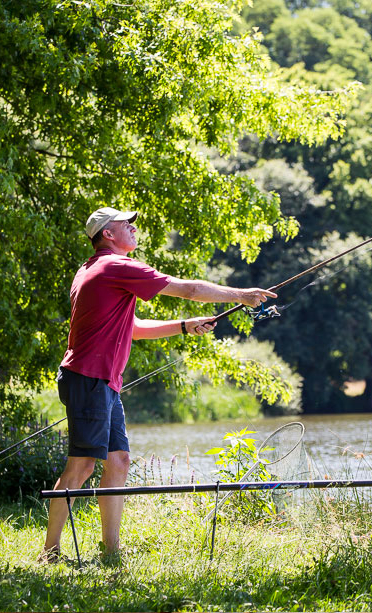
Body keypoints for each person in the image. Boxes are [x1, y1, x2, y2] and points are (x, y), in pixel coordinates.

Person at [41, 206, 276, 561]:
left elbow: (132, 328)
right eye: (126, 225)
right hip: (89, 377)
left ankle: (111, 551)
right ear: (107, 234)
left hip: (101, 381)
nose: (134, 229)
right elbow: (191, 288)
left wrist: (183, 326)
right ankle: (50, 551)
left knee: (118, 461)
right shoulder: (115, 266)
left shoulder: (95, 270)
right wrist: (241, 294)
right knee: (82, 466)